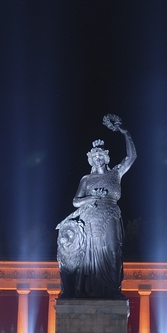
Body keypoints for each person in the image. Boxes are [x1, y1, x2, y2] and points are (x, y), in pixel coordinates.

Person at [56, 114, 137, 300]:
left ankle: (112, 290)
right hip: (91, 218)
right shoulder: (87, 179)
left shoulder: (116, 173)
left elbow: (132, 156)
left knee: (114, 250)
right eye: (95, 156)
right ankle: (93, 291)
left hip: (111, 215)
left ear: (106, 157)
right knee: (91, 258)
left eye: (101, 155)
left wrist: (125, 132)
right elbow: (76, 201)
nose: (98, 157)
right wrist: (91, 197)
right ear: (91, 160)